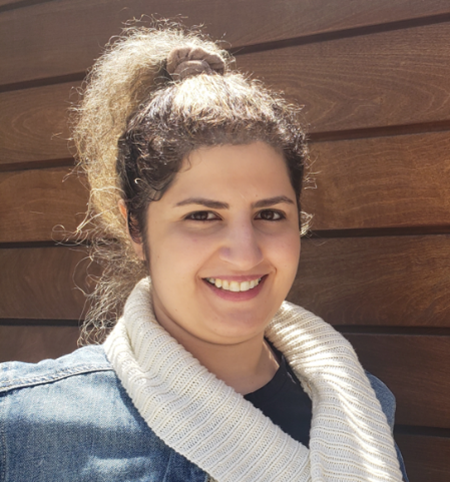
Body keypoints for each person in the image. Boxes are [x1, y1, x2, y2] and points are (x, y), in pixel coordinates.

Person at [0, 23, 408, 482]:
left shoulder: (360, 406)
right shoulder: (24, 425)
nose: (243, 253)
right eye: (202, 216)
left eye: (270, 214)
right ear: (135, 227)